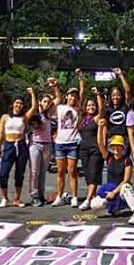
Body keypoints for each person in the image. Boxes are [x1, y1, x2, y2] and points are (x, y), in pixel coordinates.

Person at [0, 88, 38, 208]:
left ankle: (17, 199)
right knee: (3, 173)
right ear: (13, 104)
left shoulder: (24, 117)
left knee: (19, 174)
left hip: (21, 145)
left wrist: (32, 94)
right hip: (9, 145)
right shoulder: (5, 117)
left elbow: (34, 107)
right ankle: (4, 197)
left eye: (20, 103)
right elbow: (0, 132)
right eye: (17, 103)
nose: (18, 105)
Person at [50, 71, 86, 207]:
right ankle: (59, 196)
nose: (73, 97)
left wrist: (81, 78)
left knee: (72, 171)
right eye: (71, 95)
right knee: (60, 171)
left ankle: (74, 196)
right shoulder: (60, 108)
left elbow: (82, 92)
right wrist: (55, 86)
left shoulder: (78, 109)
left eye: (75, 96)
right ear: (67, 97)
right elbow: (57, 96)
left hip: (73, 143)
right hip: (60, 143)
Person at [91, 131, 134, 216]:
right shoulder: (109, 157)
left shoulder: (127, 161)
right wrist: (100, 128)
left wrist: (114, 192)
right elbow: (100, 143)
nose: (116, 148)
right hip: (110, 188)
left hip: (120, 190)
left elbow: (126, 180)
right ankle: (115, 209)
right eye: (114, 146)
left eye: (118, 146)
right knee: (94, 204)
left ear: (122, 147)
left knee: (126, 187)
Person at [77, 87, 105, 210]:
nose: (90, 107)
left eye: (93, 105)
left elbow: (102, 109)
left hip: (95, 150)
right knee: (88, 175)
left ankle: (88, 200)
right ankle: (92, 197)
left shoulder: (97, 118)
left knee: (93, 173)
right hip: (83, 150)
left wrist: (98, 95)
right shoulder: (82, 119)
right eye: (88, 105)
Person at [27, 92, 55, 207]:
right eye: (44, 101)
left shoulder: (48, 114)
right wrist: (33, 94)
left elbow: (57, 99)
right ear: (40, 102)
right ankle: (34, 195)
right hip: (35, 144)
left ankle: (41, 194)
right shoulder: (35, 113)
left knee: (43, 172)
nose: (46, 104)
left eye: (48, 102)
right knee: (34, 171)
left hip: (47, 145)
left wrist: (53, 91)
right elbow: (33, 107)